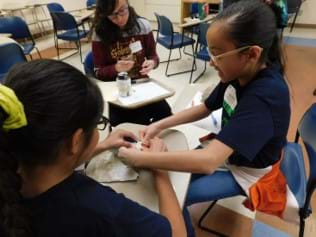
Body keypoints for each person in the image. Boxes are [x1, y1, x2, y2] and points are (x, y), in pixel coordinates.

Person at [118, 0, 299, 233]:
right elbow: (206, 107)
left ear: (251, 54)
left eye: (217, 54)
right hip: (229, 152)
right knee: (174, 177)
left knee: (177, 196)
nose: (211, 62)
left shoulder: (265, 96)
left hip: (249, 171)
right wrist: (159, 125)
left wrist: (138, 159)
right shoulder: (239, 71)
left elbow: (208, 161)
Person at [0, 59, 187, 237]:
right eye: (98, 123)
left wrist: (103, 145)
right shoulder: (100, 210)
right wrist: (161, 171)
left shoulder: (9, 178)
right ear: (76, 140)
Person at [92, 0, 172, 126]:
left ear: (128, 5)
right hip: (116, 88)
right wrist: (116, 68)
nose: (119, 18)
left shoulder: (142, 26)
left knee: (165, 113)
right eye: (112, 15)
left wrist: (152, 62)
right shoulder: (100, 33)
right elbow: (98, 72)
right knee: (135, 121)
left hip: (141, 84)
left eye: (123, 10)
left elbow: (153, 56)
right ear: (104, 14)